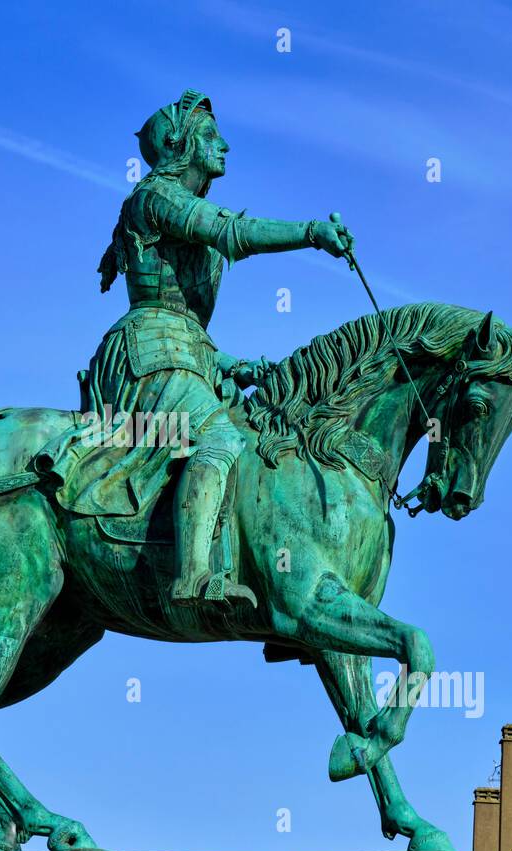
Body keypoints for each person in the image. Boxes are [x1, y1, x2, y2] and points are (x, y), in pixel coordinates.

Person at [88, 89, 353, 609]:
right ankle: (191, 577)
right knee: (219, 438)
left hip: (186, 354)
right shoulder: (157, 195)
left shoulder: (180, 203)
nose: (225, 145)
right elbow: (233, 234)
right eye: (210, 136)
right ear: (178, 143)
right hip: (146, 357)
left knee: (262, 439)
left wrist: (237, 365)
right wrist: (310, 232)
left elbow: (186, 321)